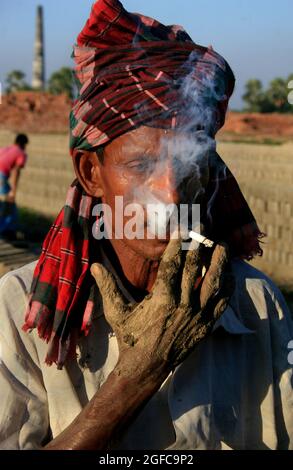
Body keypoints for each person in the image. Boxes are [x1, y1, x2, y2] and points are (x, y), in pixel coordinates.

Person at [0, 0, 292, 451]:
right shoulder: (18, 309)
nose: (170, 196)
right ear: (90, 173)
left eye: (187, 165)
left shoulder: (256, 305)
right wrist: (142, 371)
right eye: (140, 164)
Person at [0, 133, 28, 236]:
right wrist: (13, 191)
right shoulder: (21, 153)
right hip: (1, 175)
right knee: (9, 204)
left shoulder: (5, 149)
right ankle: (6, 230)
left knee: (4, 203)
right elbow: (16, 172)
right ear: (24, 144)